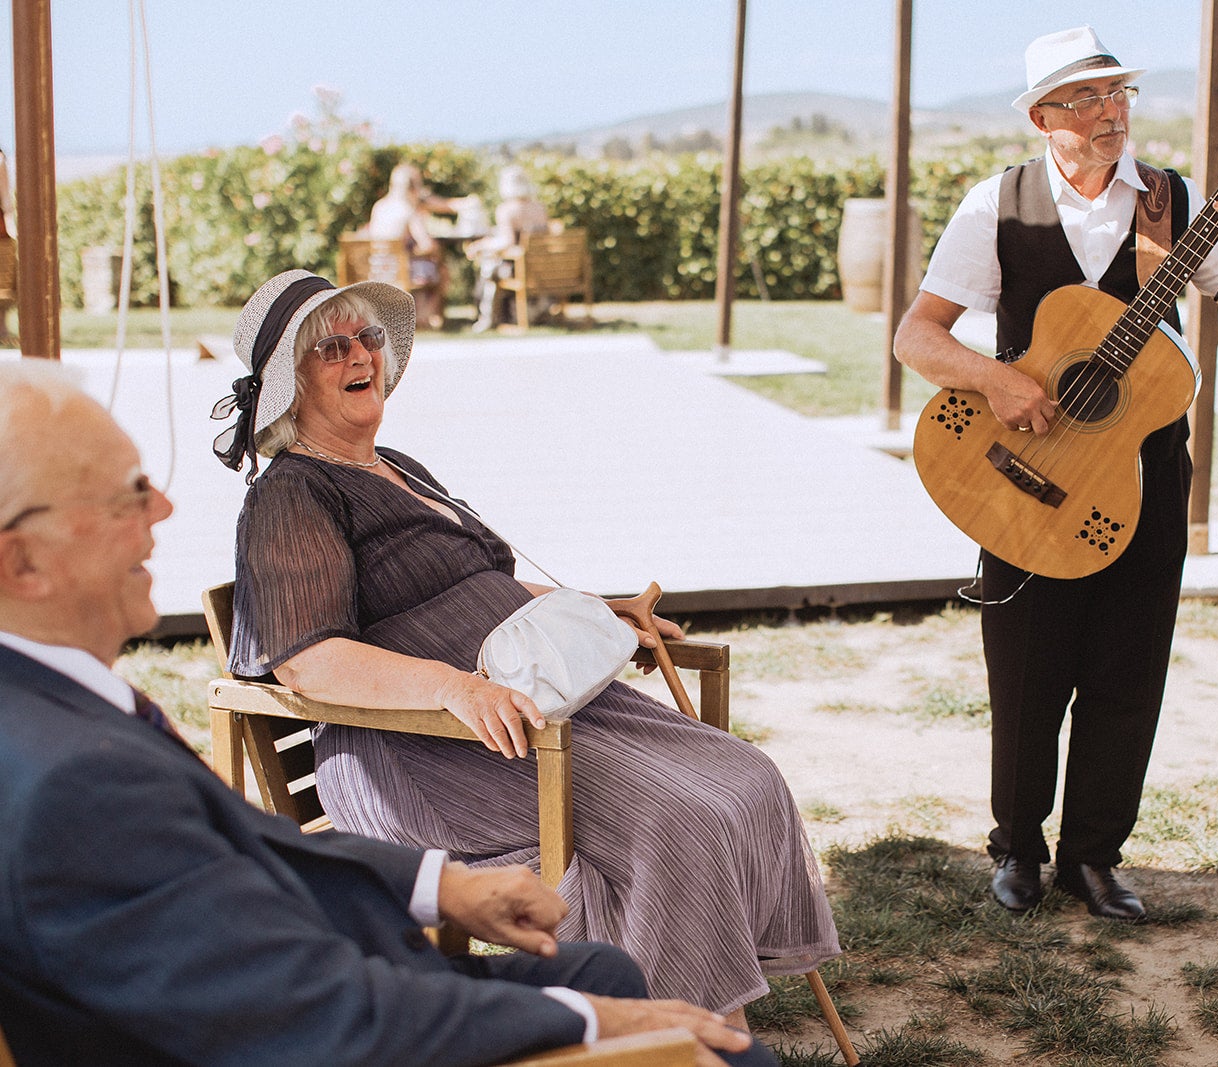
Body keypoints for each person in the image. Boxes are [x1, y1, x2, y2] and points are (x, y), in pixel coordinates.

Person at [0, 360, 773, 1067]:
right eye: (126, 493)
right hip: (416, 809)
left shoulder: (57, 700)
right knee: (678, 1013)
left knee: (615, 957)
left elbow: (246, 840)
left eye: (364, 336)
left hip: (362, 941)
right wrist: (586, 1023)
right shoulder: (72, 780)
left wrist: (443, 888)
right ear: (21, 564)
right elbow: (308, 1011)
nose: (165, 506)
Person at [208, 269, 841, 1027]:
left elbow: (486, 587)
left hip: (529, 705)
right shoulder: (291, 495)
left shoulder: (398, 466)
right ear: (289, 384)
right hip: (433, 747)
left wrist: (603, 617)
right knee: (676, 817)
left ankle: (692, 1011)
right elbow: (306, 660)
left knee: (745, 772)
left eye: (367, 337)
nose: (361, 356)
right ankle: (681, 1033)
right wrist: (455, 688)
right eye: (332, 346)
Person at [893, 26, 1218, 921]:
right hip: (1021, 469)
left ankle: (1095, 856)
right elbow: (915, 335)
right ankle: (1018, 846)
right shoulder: (994, 205)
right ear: (1043, 116)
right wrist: (995, 377)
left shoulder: (1173, 201)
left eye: (1118, 93)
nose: (1109, 112)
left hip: (1144, 472)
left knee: (1128, 668)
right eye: (1085, 98)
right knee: (1028, 670)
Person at [466, 165, 552, 331]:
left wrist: (481, 245)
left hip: (520, 268)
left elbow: (508, 242)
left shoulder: (507, 210)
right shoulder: (540, 208)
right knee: (491, 265)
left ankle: (487, 317)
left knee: (488, 267)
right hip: (542, 267)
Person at [369, 162, 451, 330]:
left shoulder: (379, 206)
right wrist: (419, 251)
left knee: (425, 266)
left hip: (377, 268)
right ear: (414, 188)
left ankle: (419, 316)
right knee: (441, 270)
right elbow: (427, 245)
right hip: (400, 270)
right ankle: (426, 317)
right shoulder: (408, 209)